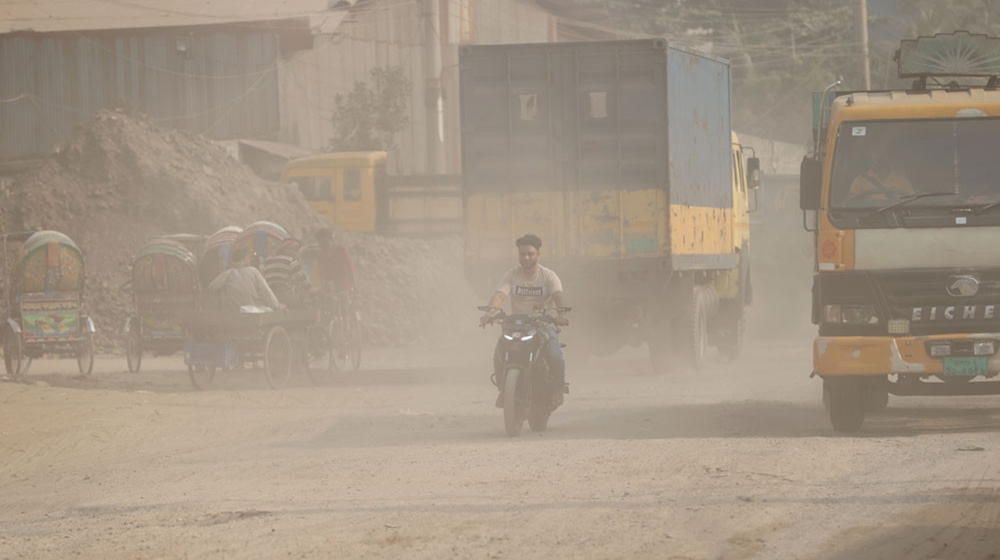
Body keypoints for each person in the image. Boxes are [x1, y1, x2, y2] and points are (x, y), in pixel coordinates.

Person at [479, 233, 568, 409]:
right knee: (499, 354)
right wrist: (489, 312)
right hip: (517, 324)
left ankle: (557, 390)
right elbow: (500, 295)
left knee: (554, 355)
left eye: (530, 253)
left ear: (538, 254)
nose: (526, 257)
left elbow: (558, 296)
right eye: (522, 254)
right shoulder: (512, 275)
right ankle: (505, 391)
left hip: (542, 324)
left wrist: (561, 314)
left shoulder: (548, 276)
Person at [207, 247, 284, 313]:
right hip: (251, 310)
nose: (249, 261)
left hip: (232, 311)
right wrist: (276, 306)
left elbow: (211, 286)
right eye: (248, 258)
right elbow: (266, 291)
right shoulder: (253, 271)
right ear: (244, 258)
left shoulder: (227, 273)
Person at [314, 228, 356, 315]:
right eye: (320, 243)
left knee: (346, 309)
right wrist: (323, 287)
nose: (322, 245)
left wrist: (354, 285)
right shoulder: (321, 255)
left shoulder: (341, 250)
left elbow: (350, 269)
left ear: (331, 239)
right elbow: (321, 274)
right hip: (331, 288)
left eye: (325, 243)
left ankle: (347, 324)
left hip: (344, 285)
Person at [261, 239, 310, 308]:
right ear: (294, 250)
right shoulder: (291, 261)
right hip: (285, 297)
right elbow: (305, 282)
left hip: (269, 297)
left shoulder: (267, 260)